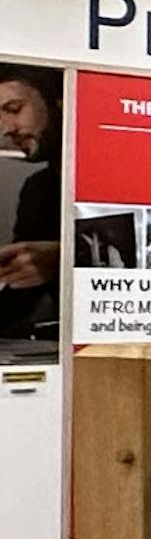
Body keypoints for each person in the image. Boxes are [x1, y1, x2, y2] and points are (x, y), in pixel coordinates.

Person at [0, 66, 60, 364]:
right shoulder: (37, 189)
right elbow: (20, 292)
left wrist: (65, 257)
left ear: (55, 100)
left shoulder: (123, 169)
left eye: (14, 109)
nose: (7, 128)